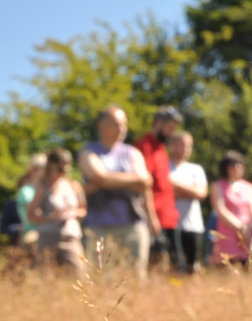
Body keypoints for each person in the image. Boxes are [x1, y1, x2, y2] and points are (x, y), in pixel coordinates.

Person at [79, 106, 154, 280]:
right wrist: (130, 180)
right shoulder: (88, 152)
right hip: (98, 228)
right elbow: (100, 178)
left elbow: (145, 182)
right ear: (101, 126)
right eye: (116, 124)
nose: (122, 129)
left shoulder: (133, 152)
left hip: (133, 226)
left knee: (136, 280)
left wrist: (104, 181)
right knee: (100, 281)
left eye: (124, 125)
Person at [133, 106, 181, 270]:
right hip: (154, 220)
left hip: (168, 218)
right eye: (169, 128)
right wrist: (152, 218)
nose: (171, 133)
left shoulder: (162, 149)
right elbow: (142, 186)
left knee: (173, 270)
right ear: (159, 123)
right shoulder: (142, 147)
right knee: (155, 268)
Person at [27, 148, 86, 276]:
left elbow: (83, 210)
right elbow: (31, 216)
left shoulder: (73, 185)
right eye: (60, 169)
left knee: (78, 277)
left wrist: (72, 213)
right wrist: (51, 217)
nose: (63, 172)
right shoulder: (41, 188)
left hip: (70, 238)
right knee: (45, 279)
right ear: (51, 166)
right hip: (47, 238)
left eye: (66, 169)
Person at [168, 131, 208, 273]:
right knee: (172, 267)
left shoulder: (196, 169)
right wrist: (189, 191)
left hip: (193, 226)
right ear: (172, 145)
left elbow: (201, 193)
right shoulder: (164, 166)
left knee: (193, 268)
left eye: (189, 146)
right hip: (169, 226)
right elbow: (162, 193)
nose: (186, 149)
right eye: (182, 145)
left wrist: (174, 185)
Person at [211, 151, 252, 265]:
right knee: (228, 264)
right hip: (228, 231)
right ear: (226, 167)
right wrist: (240, 228)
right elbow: (220, 209)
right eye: (234, 165)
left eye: (241, 165)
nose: (237, 168)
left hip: (248, 233)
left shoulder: (249, 187)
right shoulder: (218, 185)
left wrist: (247, 229)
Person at [15, 154, 48, 246]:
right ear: (33, 171)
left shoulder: (47, 189)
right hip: (32, 232)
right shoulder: (26, 191)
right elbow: (34, 215)